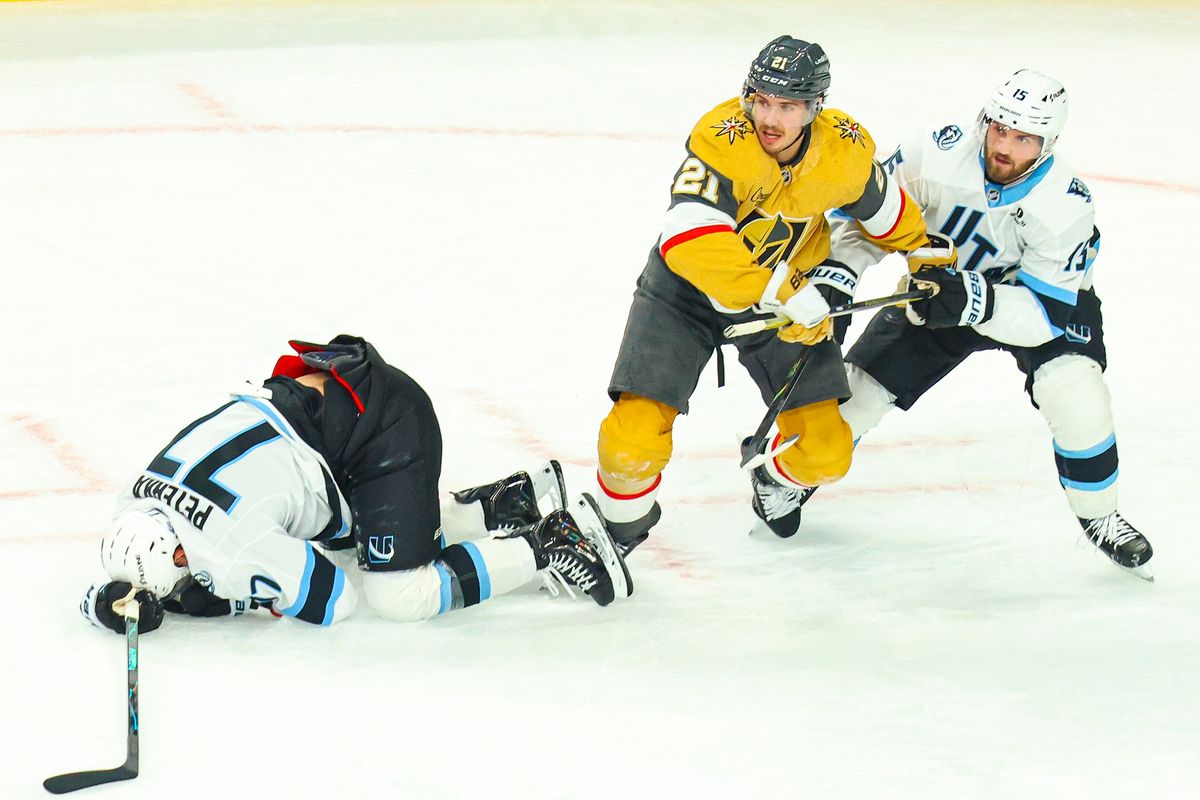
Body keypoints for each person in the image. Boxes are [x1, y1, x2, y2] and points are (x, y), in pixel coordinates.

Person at [594, 35, 941, 548]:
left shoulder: (841, 150)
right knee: (630, 444)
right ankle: (616, 532)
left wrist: (928, 257)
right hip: (684, 296)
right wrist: (778, 288)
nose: (768, 118)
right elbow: (688, 237)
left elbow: (887, 214)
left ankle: (773, 477)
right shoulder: (722, 135)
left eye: (787, 106)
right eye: (761, 99)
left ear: (814, 109)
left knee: (826, 452)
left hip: (787, 306)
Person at [820, 69, 1152, 578]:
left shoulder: (1066, 205)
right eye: (999, 128)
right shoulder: (931, 151)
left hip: (1036, 302)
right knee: (855, 398)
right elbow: (863, 214)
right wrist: (841, 274)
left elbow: (1044, 316)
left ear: (1047, 143)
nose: (1004, 145)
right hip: (941, 293)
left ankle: (1099, 516)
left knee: (1078, 396)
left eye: (1023, 138)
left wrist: (977, 299)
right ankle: (787, 479)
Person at [80, 335, 633, 634]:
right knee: (355, 544)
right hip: (320, 414)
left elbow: (333, 601)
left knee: (396, 593)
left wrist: (223, 597)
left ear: (179, 550)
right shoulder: (137, 494)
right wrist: (110, 600)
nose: (180, 583)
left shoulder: (228, 546)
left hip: (380, 427)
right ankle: (512, 502)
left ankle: (553, 541)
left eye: (175, 576)